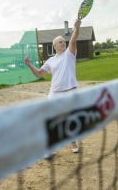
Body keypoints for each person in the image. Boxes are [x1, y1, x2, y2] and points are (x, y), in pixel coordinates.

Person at [24, 19, 82, 154]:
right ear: (55, 46)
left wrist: (77, 28)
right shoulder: (51, 60)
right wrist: (29, 64)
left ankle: (72, 140)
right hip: (55, 93)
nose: (64, 43)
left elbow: (73, 41)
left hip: (70, 92)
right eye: (60, 42)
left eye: (64, 41)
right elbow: (39, 74)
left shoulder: (69, 54)